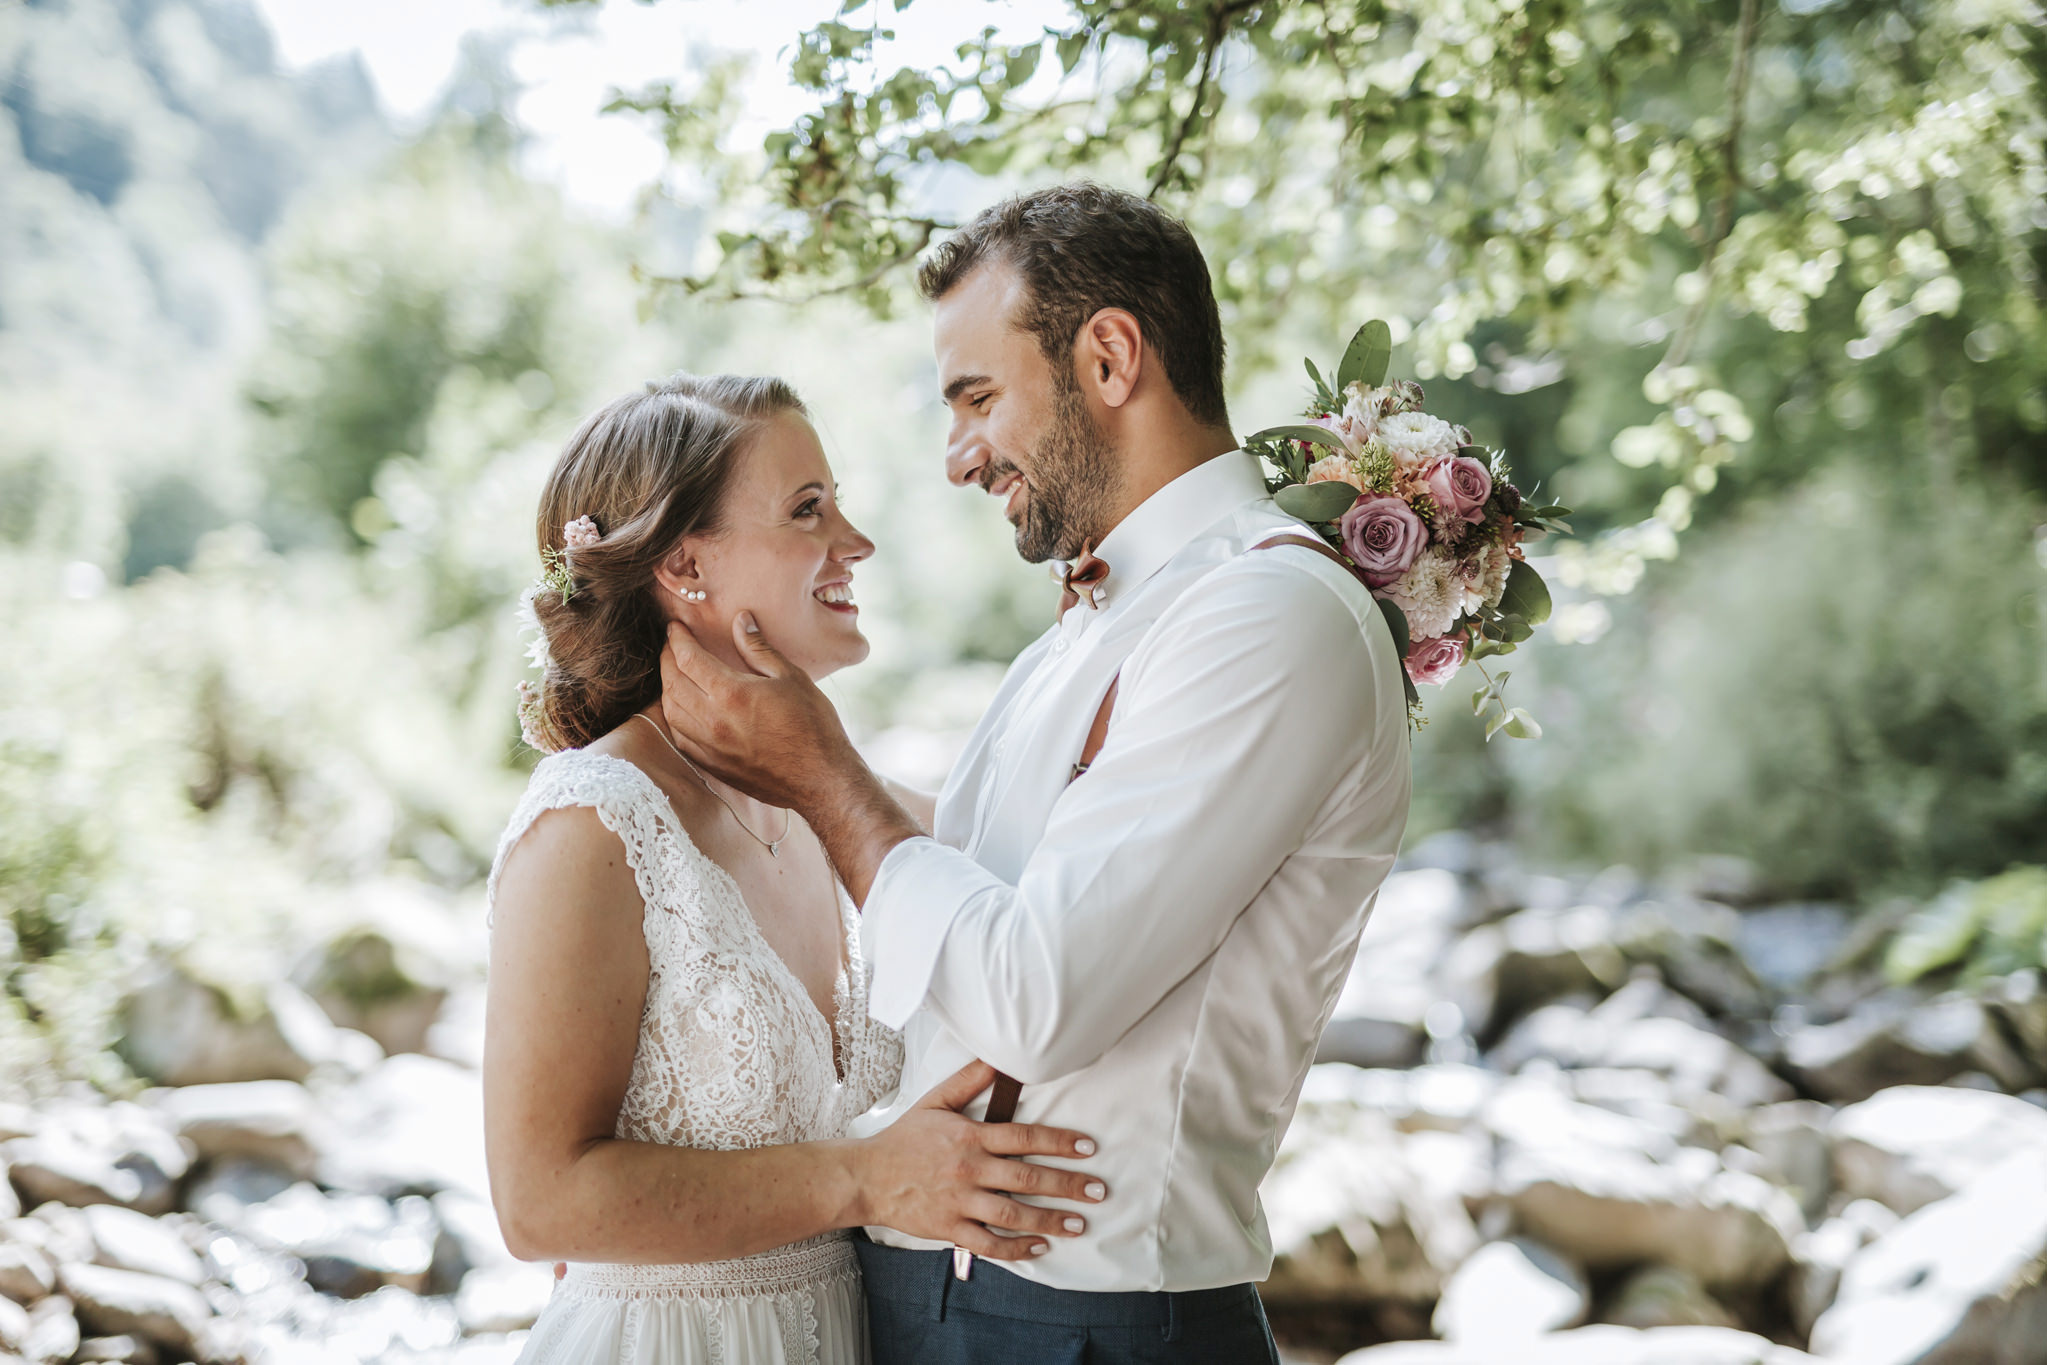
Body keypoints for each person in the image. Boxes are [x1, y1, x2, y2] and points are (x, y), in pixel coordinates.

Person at [656, 183, 1415, 1364]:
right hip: (936, 1303)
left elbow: (1034, 998)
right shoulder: (1082, 631)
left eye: (977, 398)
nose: (959, 458)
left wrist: (822, 775)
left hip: (1091, 1328)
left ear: (1109, 356)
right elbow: (979, 878)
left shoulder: (1269, 615)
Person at [483, 373, 1105, 1365]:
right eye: (808, 510)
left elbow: (1059, 872)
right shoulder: (592, 824)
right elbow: (539, 1204)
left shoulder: (832, 801)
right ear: (686, 565)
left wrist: (1126, 621)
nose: (854, 541)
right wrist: (862, 1178)